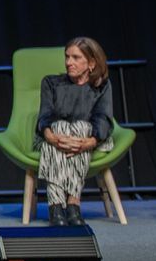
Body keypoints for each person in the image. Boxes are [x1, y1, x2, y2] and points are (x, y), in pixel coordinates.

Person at [34, 37, 114, 227]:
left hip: (91, 140)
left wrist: (89, 141)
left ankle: (67, 204)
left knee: (81, 128)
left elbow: (102, 119)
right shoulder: (51, 83)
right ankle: (63, 206)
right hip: (51, 139)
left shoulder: (102, 86)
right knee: (60, 127)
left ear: (92, 63)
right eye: (67, 57)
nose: (69, 62)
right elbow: (45, 115)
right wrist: (51, 136)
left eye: (76, 58)